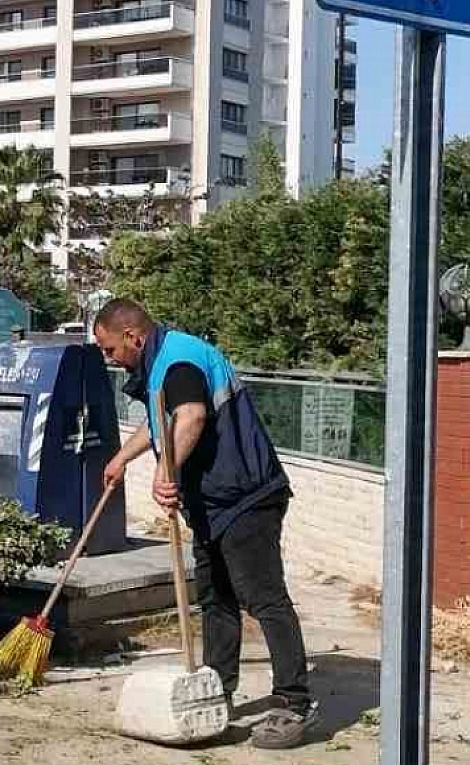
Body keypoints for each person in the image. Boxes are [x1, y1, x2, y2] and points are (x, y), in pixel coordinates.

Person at [92, 298, 318, 750]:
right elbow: (164, 423)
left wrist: (164, 474)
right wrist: (122, 458)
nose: (108, 358)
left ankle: (295, 701)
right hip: (213, 503)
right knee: (216, 598)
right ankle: (218, 688)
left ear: (133, 337)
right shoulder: (163, 361)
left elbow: (192, 416)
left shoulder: (179, 362)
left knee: (263, 597)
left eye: (110, 348)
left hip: (246, 496)